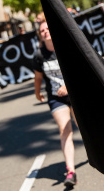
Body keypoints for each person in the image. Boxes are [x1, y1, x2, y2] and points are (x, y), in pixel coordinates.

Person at [33, 22, 78, 187]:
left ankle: (96, 154)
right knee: (65, 129)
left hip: (75, 93)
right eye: (42, 31)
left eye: (47, 29)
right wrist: (37, 92)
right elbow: (38, 77)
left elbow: (79, 70)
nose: (45, 32)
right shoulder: (39, 55)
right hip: (55, 97)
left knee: (82, 126)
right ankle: (71, 171)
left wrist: (68, 85)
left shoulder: (65, 47)